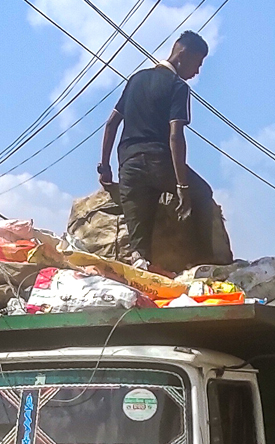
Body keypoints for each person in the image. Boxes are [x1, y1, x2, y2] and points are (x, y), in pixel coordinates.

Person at [96, 32, 217, 272]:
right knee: (203, 193)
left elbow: (111, 124)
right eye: (198, 63)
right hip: (159, 162)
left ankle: (141, 266)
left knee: (139, 249)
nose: (197, 72)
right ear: (183, 54)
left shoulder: (136, 79)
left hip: (129, 165)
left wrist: (105, 167)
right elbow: (175, 136)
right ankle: (205, 262)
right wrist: (182, 186)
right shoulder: (177, 87)